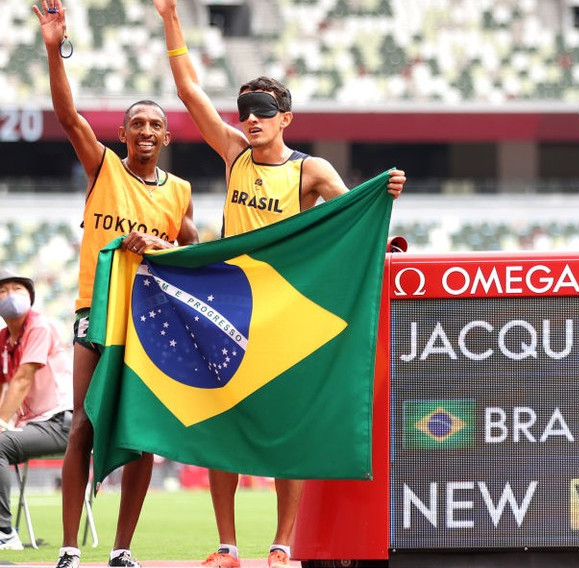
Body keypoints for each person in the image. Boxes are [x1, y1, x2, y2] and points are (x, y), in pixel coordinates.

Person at [153, 2, 405, 567]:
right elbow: (190, 91)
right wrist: (171, 17)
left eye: (263, 111)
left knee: (288, 432)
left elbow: (354, 223)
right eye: (246, 111)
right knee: (220, 427)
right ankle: (226, 546)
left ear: (286, 118)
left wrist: (384, 198)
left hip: (284, 312)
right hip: (227, 305)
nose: (251, 119)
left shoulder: (310, 171)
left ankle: (282, 543)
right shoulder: (234, 153)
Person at [35, 2, 200, 567]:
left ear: (167, 137)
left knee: (142, 432)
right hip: (95, 310)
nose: (148, 131)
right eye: (138, 124)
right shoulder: (103, 168)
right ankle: (67, 547)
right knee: (82, 423)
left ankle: (122, 550)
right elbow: (66, 115)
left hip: (149, 320)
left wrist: (160, 246)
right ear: (123, 133)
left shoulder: (178, 192)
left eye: (157, 124)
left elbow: (197, 252)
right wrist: (55, 47)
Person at [0, 269, 74, 551]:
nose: (9, 296)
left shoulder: (39, 327)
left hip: (61, 423)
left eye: (16, 289)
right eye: (2, 292)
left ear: (29, 296)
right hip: (34, 425)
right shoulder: (3, 338)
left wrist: (1, 422)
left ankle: (5, 533)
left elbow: (22, 378)